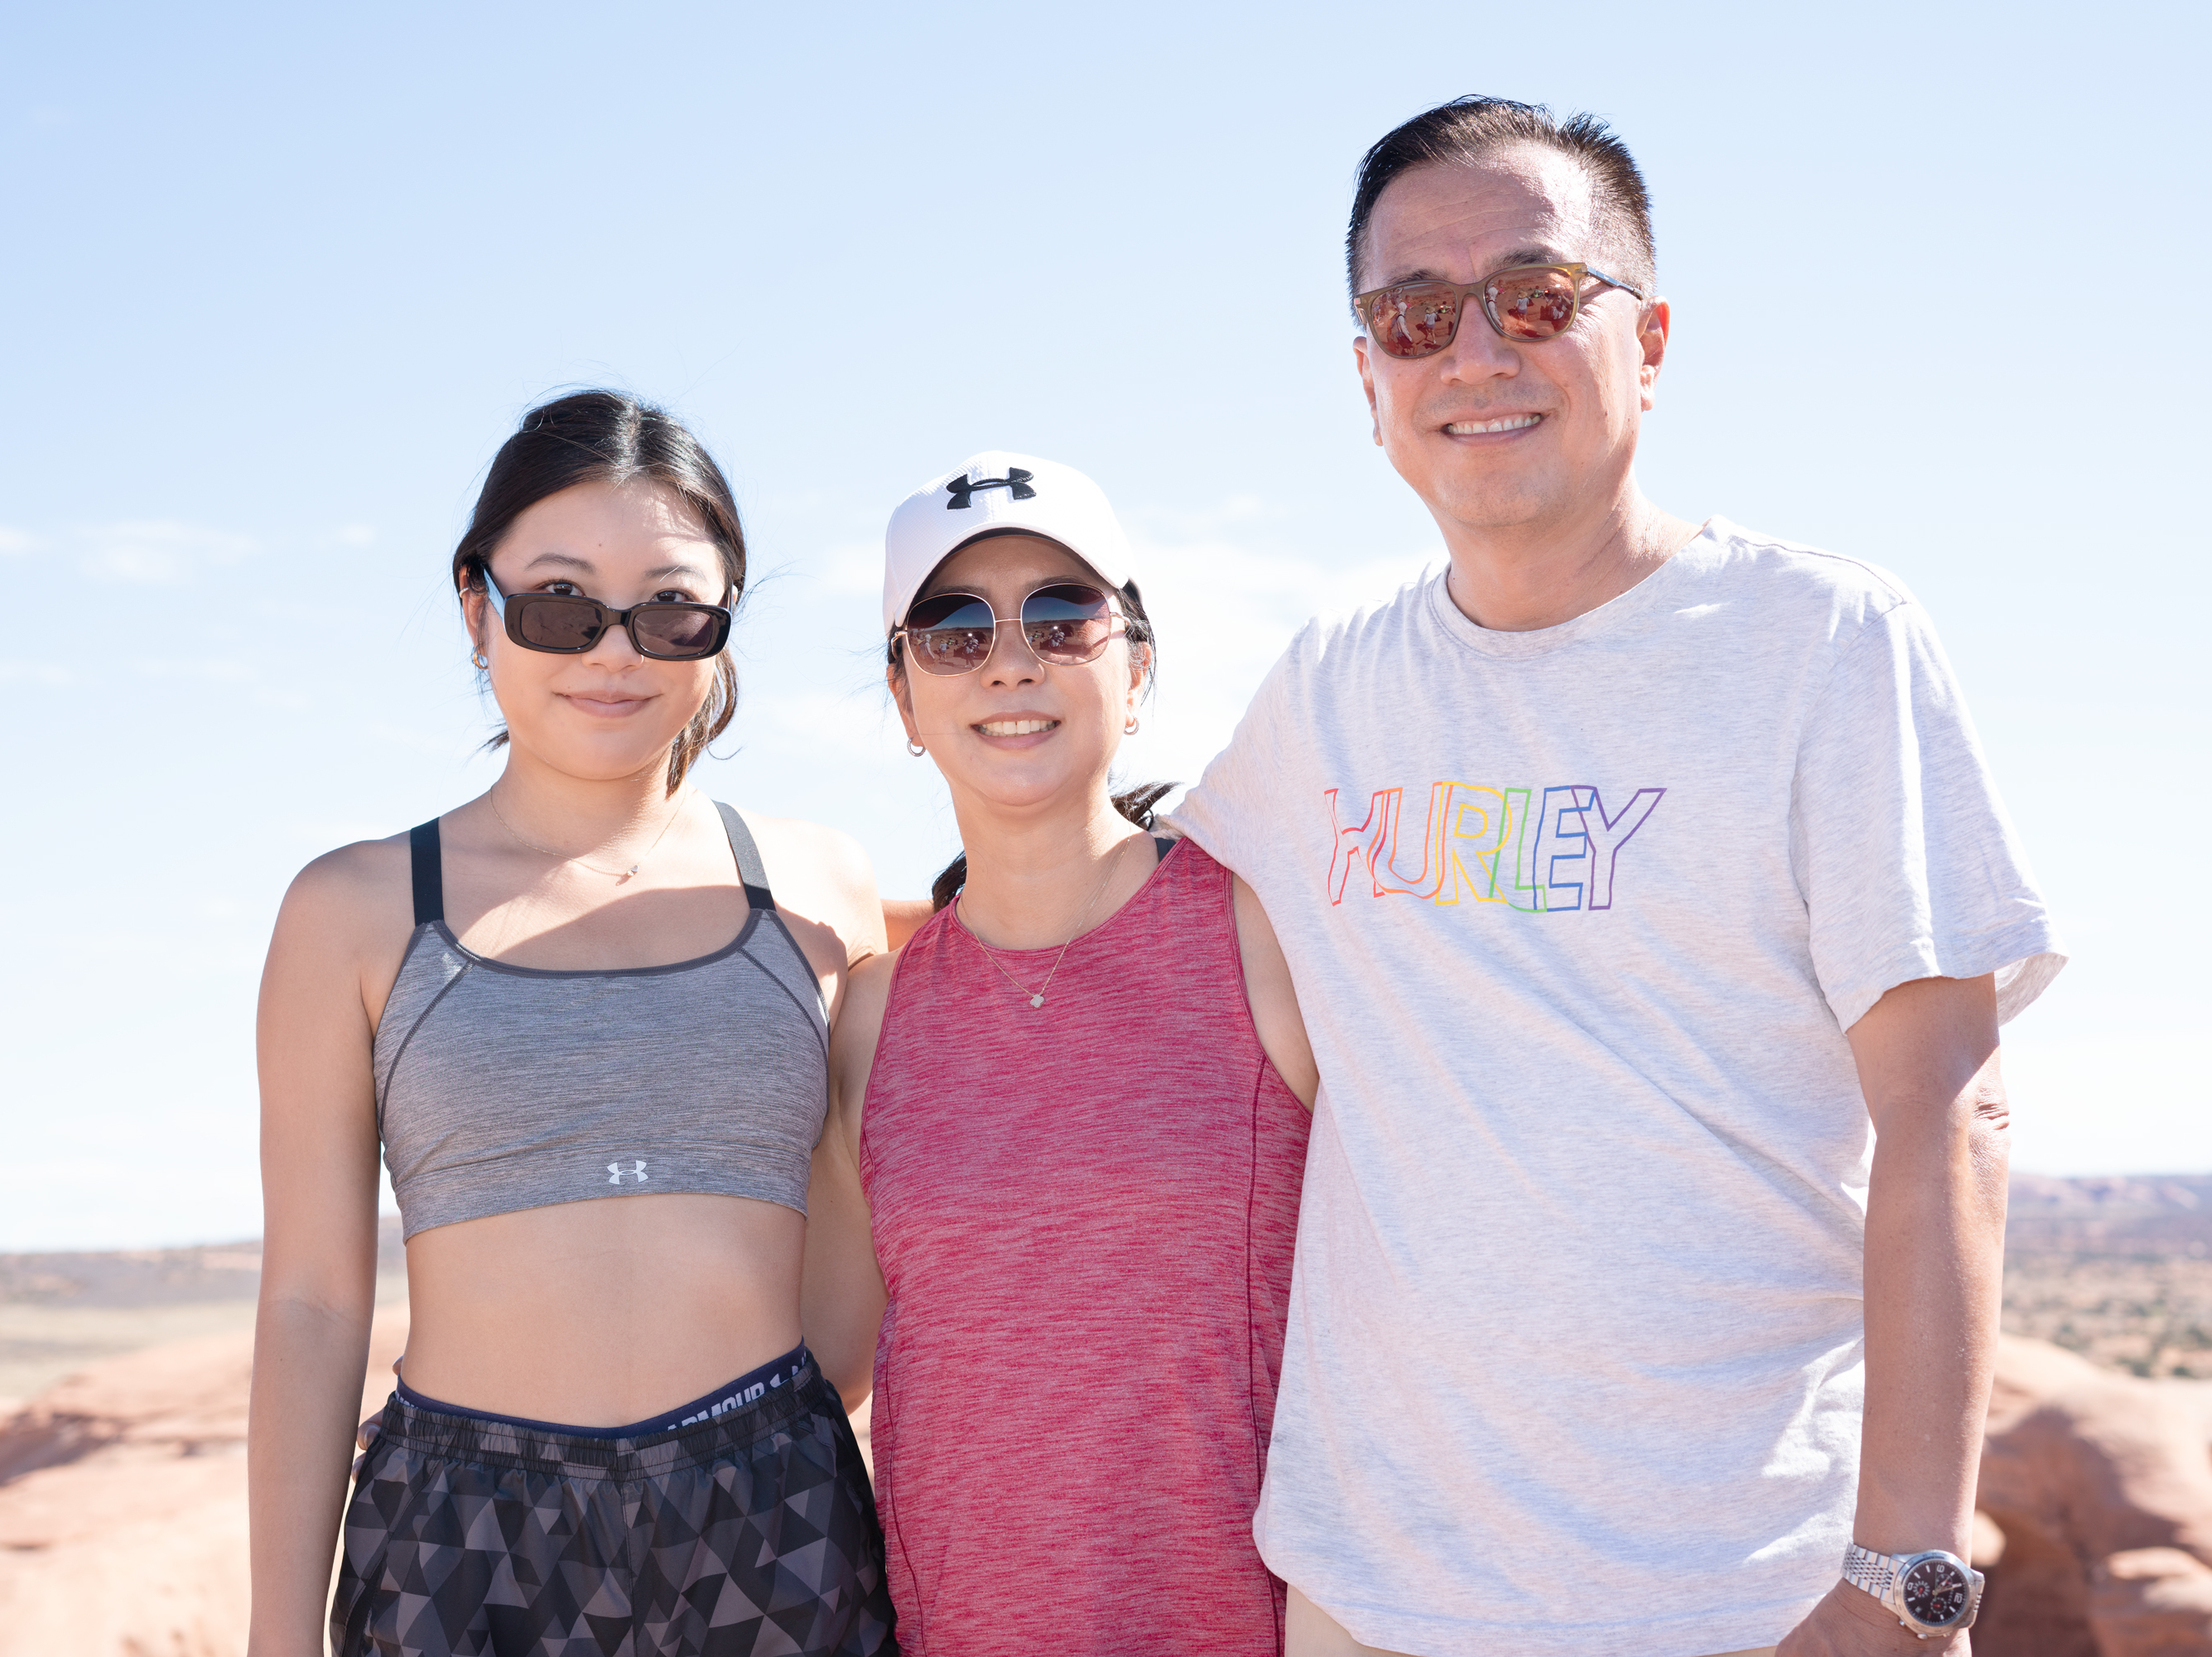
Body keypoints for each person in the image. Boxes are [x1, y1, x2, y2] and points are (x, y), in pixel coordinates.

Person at [1165, 99, 2065, 1657]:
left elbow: (1950, 1106)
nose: (1474, 354)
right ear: (1365, 370)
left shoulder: (1822, 643)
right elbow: (1136, 918)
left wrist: (1909, 1589)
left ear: (1647, 340)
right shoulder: (1321, 694)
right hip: (1373, 1599)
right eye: (1415, 315)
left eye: (1534, 297)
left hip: (1746, 1602)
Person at [248, 391, 897, 1657]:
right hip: (460, 1541)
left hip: (773, 1515)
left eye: (670, 608)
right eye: (559, 603)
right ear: (475, 604)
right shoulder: (354, 909)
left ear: (721, 627)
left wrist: (751, 1432)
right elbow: (314, 1304)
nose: (614, 652)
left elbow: (867, 1239)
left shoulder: (822, 889)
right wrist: (280, 1633)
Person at [800, 452, 1318, 1655]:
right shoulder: (874, 1022)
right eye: (952, 628)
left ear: (1136, 668)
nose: (1011, 659)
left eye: (1062, 615)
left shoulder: (1266, 933)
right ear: (902, 699)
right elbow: (819, 1364)